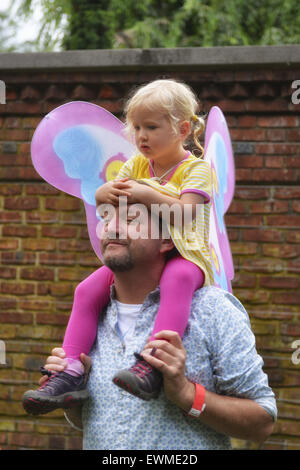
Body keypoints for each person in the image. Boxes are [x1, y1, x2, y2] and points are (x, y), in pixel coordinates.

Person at [23, 78, 215, 414]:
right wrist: (101, 195)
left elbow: (185, 215)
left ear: (183, 128)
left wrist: (144, 193)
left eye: (151, 127)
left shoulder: (196, 169)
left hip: (187, 253)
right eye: (136, 127)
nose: (141, 136)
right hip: (146, 254)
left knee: (177, 280)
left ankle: (153, 362)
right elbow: (109, 200)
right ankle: (71, 370)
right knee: (86, 289)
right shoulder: (137, 164)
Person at [38, 203, 277, 450]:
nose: (112, 228)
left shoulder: (213, 310)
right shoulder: (90, 316)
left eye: (131, 220)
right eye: (106, 219)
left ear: (166, 240)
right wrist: (74, 399)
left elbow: (262, 424)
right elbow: (95, 423)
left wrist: (186, 394)